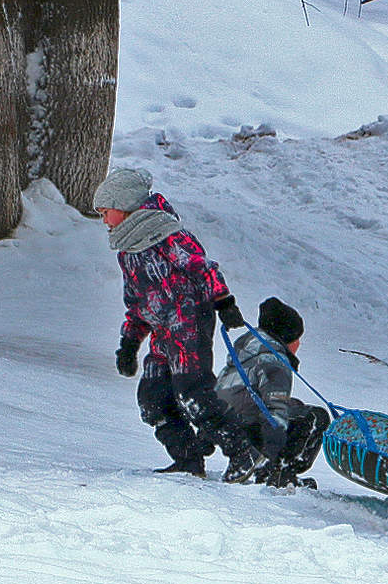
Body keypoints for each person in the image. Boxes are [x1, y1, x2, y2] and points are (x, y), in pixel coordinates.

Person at [95, 167, 267, 482]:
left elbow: (202, 267)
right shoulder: (127, 252)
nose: (104, 220)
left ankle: (243, 451)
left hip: (189, 324)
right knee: (153, 399)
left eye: (106, 212)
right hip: (161, 335)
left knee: (194, 394)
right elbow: (136, 303)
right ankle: (188, 459)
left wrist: (224, 302)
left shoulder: (167, 235)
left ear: (124, 206)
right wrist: (129, 343)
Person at [214, 297, 333, 489]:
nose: (299, 343)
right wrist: (273, 445)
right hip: (248, 422)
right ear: (286, 336)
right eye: (297, 337)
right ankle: (279, 473)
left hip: (227, 423)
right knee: (315, 417)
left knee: (296, 406)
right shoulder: (273, 359)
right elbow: (275, 407)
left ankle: (259, 464)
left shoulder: (249, 348)